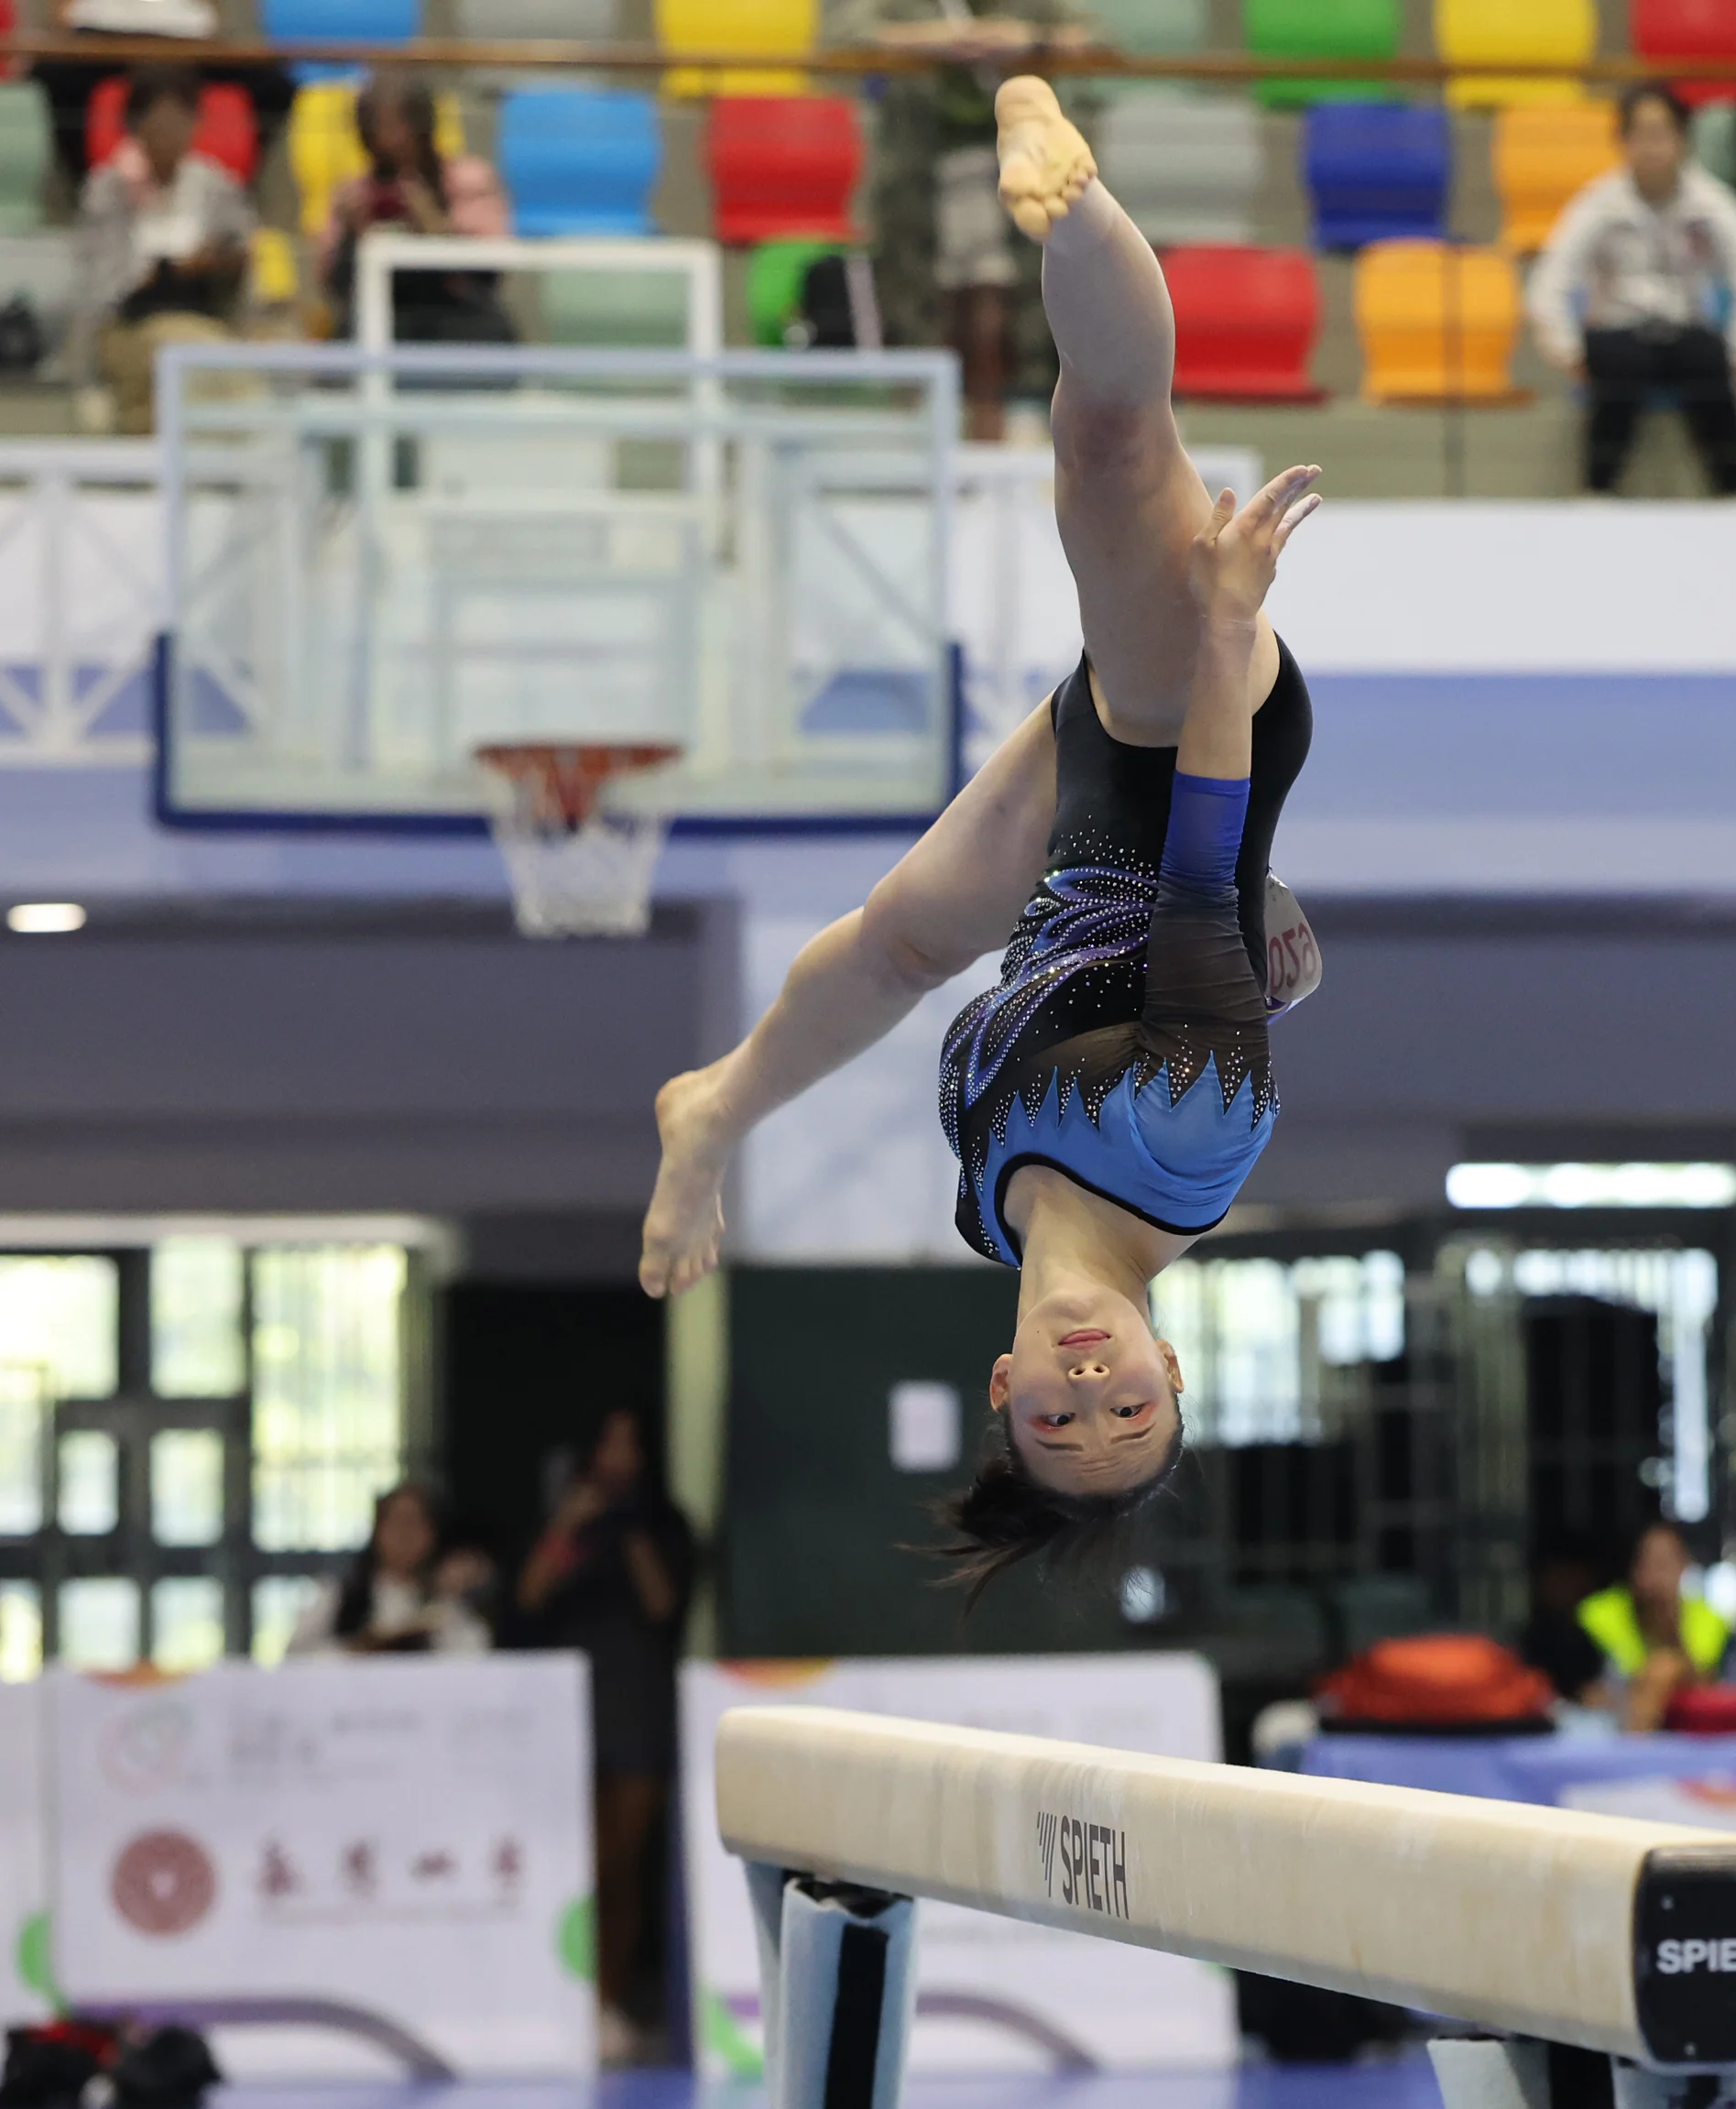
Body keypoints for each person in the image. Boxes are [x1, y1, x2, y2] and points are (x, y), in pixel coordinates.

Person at [638, 77, 1322, 1599]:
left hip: (1089, 824)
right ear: (1173, 1368)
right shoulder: (1191, 1143)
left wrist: (1272, 931)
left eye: (1062, 1419)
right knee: (1110, 443)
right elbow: (1200, 864)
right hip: (1189, 747)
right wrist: (1224, 629)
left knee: (899, 943)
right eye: (1130, 1407)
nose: (1090, 1385)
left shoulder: (991, 1216)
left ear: (1005, 1391)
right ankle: (1058, 170)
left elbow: (1023, 961)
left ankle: (717, 1105)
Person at [824, 0, 1097, 438]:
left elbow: (1090, 38)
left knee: (999, 299)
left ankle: (1007, 420)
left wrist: (1024, 40)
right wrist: (938, 41)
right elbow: (843, 40)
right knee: (931, 302)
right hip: (915, 168)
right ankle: (927, 421)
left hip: (1017, 162)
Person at [513, 1409, 693, 2060]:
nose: (618, 1458)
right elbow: (529, 1598)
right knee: (577, 1865)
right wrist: (570, 1525)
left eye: (630, 1445)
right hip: (568, 1710)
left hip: (637, 1706)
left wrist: (631, 1533)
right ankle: (563, 1997)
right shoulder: (569, 1524)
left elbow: (663, 1605)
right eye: (608, 1444)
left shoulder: (665, 1526)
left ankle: (610, 2000)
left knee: (622, 1868)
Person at [1524, 83, 1736, 497]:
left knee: (1711, 363)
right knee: (1620, 366)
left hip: (1685, 333)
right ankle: (1599, 493)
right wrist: (1567, 351)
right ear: (1622, 141)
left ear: (1682, 140)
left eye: (1661, 134)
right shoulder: (1597, 204)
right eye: (1640, 135)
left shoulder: (1713, 203)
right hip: (1619, 334)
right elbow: (1549, 282)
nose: (1651, 147)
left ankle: (1733, 496)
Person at [69, 63, 251, 434]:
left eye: (183, 120)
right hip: (128, 326)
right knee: (198, 353)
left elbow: (243, 251)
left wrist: (216, 261)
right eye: (162, 122)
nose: (173, 133)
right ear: (136, 124)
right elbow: (101, 287)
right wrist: (161, 274)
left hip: (204, 316)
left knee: (227, 357)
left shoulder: (216, 185)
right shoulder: (108, 189)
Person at [316, 75, 512, 344]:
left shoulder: (470, 181)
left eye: (400, 126)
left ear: (423, 124)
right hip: (381, 314)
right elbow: (334, 285)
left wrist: (435, 225)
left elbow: (490, 272)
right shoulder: (353, 194)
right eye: (377, 128)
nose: (390, 140)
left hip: (458, 316)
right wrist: (352, 233)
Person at [286, 1482, 495, 1656]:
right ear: (377, 1531)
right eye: (396, 1522)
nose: (405, 1535)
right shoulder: (340, 1596)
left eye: (415, 1523)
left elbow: (475, 1654)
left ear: (433, 1534)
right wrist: (361, 1648)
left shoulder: (443, 1602)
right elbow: (295, 1658)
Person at [1577, 1521, 1731, 1732]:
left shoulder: (1710, 1618)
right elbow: (1585, 1692)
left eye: (1666, 1563)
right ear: (1634, 1569)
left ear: (1684, 1566)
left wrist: (1669, 1620)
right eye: (1648, 1562)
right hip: (1611, 1726)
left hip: (1685, 1729)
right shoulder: (1598, 1614)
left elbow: (1707, 1686)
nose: (1657, 1574)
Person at [1517, 1534, 1608, 1708]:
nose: (1565, 1587)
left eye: (1571, 1577)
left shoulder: (1599, 1633)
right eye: (1558, 1578)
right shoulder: (1530, 1640)